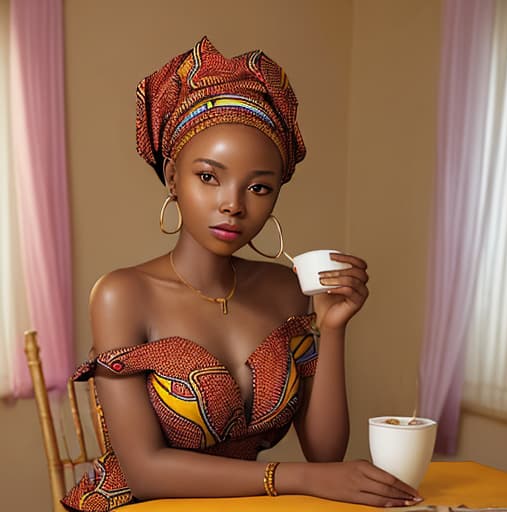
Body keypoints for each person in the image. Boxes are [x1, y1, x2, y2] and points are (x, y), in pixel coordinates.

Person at [62, 37, 423, 511]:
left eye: (258, 186)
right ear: (173, 177)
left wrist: (332, 329)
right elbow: (145, 472)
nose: (233, 204)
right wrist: (294, 479)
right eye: (208, 177)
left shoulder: (285, 288)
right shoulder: (121, 294)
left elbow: (325, 452)